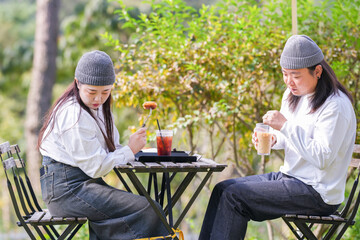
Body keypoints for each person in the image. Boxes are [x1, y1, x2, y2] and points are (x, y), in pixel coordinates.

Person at [198, 35, 357, 240]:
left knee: (234, 197)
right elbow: (289, 137)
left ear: (317, 71)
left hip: (317, 193)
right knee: (222, 189)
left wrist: (284, 126)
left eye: (296, 76)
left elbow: (322, 158)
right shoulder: (293, 95)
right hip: (291, 178)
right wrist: (274, 139)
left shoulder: (335, 105)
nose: (289, 81)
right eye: (285, 74)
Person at [38, 50, 168, 240]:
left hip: (82, 185)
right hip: (66, 191)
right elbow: (96, 167)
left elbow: (110, 149)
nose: (98, 99)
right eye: (92, 92)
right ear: (77, 83)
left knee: (148, 207)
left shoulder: (97, 110)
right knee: (148, 208)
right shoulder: (74, 114)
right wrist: (130, 149)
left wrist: (132, 148)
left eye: (105, 92)